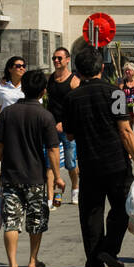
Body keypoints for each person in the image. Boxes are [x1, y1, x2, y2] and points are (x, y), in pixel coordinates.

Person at [63, 46, 134, 267]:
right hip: (116, 163)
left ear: (78, 71)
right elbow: (125, 131)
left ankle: (93, 263)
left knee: (91, 213)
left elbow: (69, 134)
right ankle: (109, 249)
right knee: (123, 207)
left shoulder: (72, 98)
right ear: (102, 68)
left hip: (89, 164)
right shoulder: (116, 93)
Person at [0, 68, 61, 267]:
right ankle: (33, 261)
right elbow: (52, 150)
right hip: (35, 178)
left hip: (10, 177)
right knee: (36, 220)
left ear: (23, 88)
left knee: (11, 222)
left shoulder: (8, 113)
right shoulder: (45, 116)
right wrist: (59, 177)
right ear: (44, 91)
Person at [46, 47, 81, 206]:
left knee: (70, 163)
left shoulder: (74, 81)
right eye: (54, 58)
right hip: (50, 128)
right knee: (50, 164)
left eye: (59, 58)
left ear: (67, 60)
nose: (56, 61)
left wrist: (66, 123)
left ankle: (75, 189)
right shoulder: (50, 79)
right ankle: (50, 198)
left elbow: (78, 107)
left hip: (68, 129)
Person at [0, 56, 26, 136]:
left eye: (23, 66)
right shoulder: (1, 87)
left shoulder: (29, 85)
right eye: (18, 66)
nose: (22, 68)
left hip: (25, 125)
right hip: (7, 126)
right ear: (10, 69)